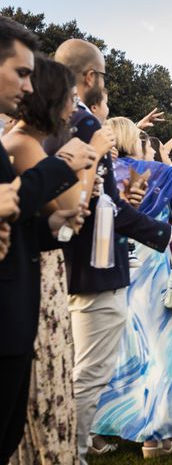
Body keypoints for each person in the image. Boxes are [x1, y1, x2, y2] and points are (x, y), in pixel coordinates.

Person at [49, 38, 172, 464]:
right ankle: (67, 451)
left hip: (90, 263)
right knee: (93, 367)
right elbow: (101, 205)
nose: (105, 87)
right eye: (102, 76)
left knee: (99, 362)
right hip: (93, 265)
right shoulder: (80, 126)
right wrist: (169, 235)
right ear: (89, 78)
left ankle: (80, 444)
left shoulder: (63, 121)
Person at [4, 54, 113, 465]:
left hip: (45, 274)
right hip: (32, 283)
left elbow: (39, 215)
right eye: (68, 99)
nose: (72, 109)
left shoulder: (30, 143)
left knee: (52, 384)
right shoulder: (23, 145)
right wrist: (87, 158)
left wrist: (53, 222)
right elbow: (74, 198)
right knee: (43, 392)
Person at [92, 117, 172, 458]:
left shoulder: (105, 174)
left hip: (115, 274)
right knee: (159, 353)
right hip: (151, 275)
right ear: (137, 146)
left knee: (118, 354)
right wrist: (167, 165)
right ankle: (154, 438)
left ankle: (98, 429)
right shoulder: (149, 172)